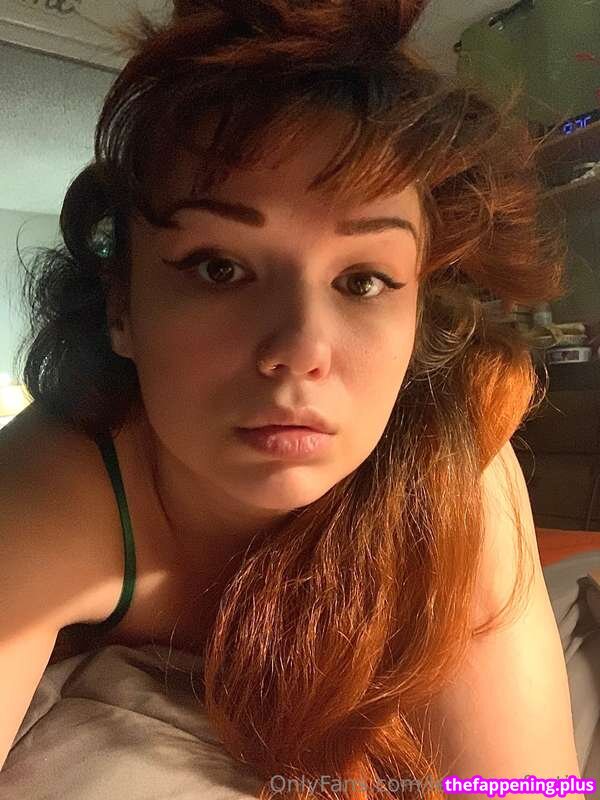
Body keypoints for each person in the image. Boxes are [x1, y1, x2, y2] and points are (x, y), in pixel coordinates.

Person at [0, 0, 585, 797]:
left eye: (364, 280)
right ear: (121, 308)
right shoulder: (54, 483)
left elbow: (522, 789)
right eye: (219, 268)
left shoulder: (452, 466)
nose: (301, 350)